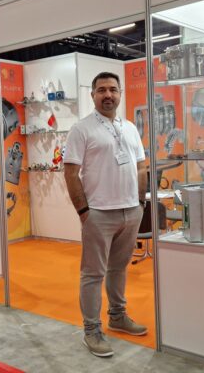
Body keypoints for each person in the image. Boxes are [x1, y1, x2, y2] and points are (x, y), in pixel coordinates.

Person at [63, 72, 147, 357]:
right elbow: (71, 173)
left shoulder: (130, 128)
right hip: (98, 213)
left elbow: (141, 167)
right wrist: (84, 211)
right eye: (101, 90)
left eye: (113, 89)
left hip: (131, 211)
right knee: (92, 274)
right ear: (93, 95)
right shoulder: (81, 129)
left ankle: (118, 316)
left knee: (118, 268)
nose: (108, 95)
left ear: (120, 93)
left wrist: (140, 203)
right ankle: (91, 330)